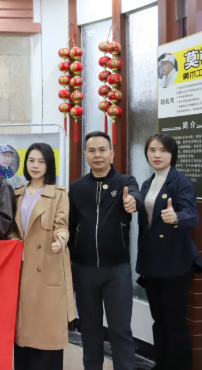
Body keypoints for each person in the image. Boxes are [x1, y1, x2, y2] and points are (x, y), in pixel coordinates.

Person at [68, 131, 141, 370]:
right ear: (85, 155)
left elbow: (136, 197)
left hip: (116, 270)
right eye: (92, 150)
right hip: (84, 269)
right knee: (89, 330)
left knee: (120, 330)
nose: (97, 155)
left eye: (102, 150)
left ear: (112, 153)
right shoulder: (77, 188)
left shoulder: (125, 182)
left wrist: (133, 202)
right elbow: (69, 226)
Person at [136, 134, 202, 370]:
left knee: (174, 323)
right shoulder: (147, 183)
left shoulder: (181, 181)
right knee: (159, 320)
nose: (157, 155)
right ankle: (162, 364)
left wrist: (176, 217)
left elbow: (192, 215)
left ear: (172, 154)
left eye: (163, 150)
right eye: (152, 150)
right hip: (152, 262)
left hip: (175, 262)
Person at [8, 143, 75, 370]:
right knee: (23, 333)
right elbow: (11, 229)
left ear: (49, 165)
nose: (35, 165)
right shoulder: (17, 194)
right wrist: (11, 241)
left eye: (41, 161)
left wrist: (61, 240)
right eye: (31, 160)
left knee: (46, 334)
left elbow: (62, 225)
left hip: (47, 269)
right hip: (21, 271)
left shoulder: (58, 195)